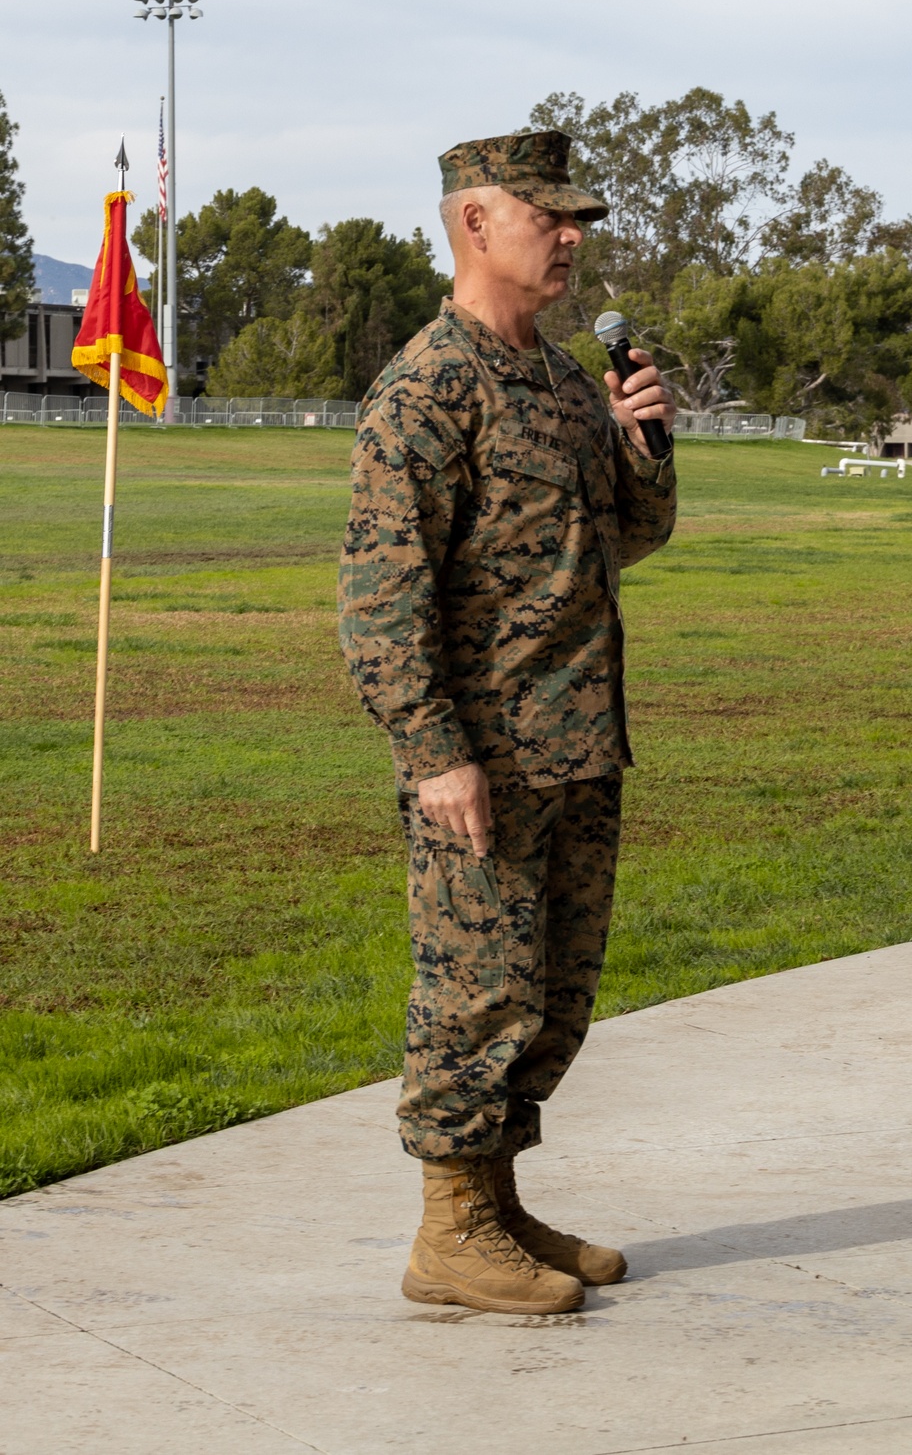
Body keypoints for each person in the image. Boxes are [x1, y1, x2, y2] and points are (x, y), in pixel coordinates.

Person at [338, 130, 677, 1315]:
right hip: (485, 757)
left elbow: (624, 540)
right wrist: (435, 755)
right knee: (475, 993)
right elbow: (381, 599)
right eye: (550, 217)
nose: (572, 237)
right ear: (476, 222)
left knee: (550, 994)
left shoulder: (563, 380)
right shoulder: (427, 388)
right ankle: (448, 1235)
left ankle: (496, 1203)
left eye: (578, 219)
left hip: (580, 741)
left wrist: (646, 441)